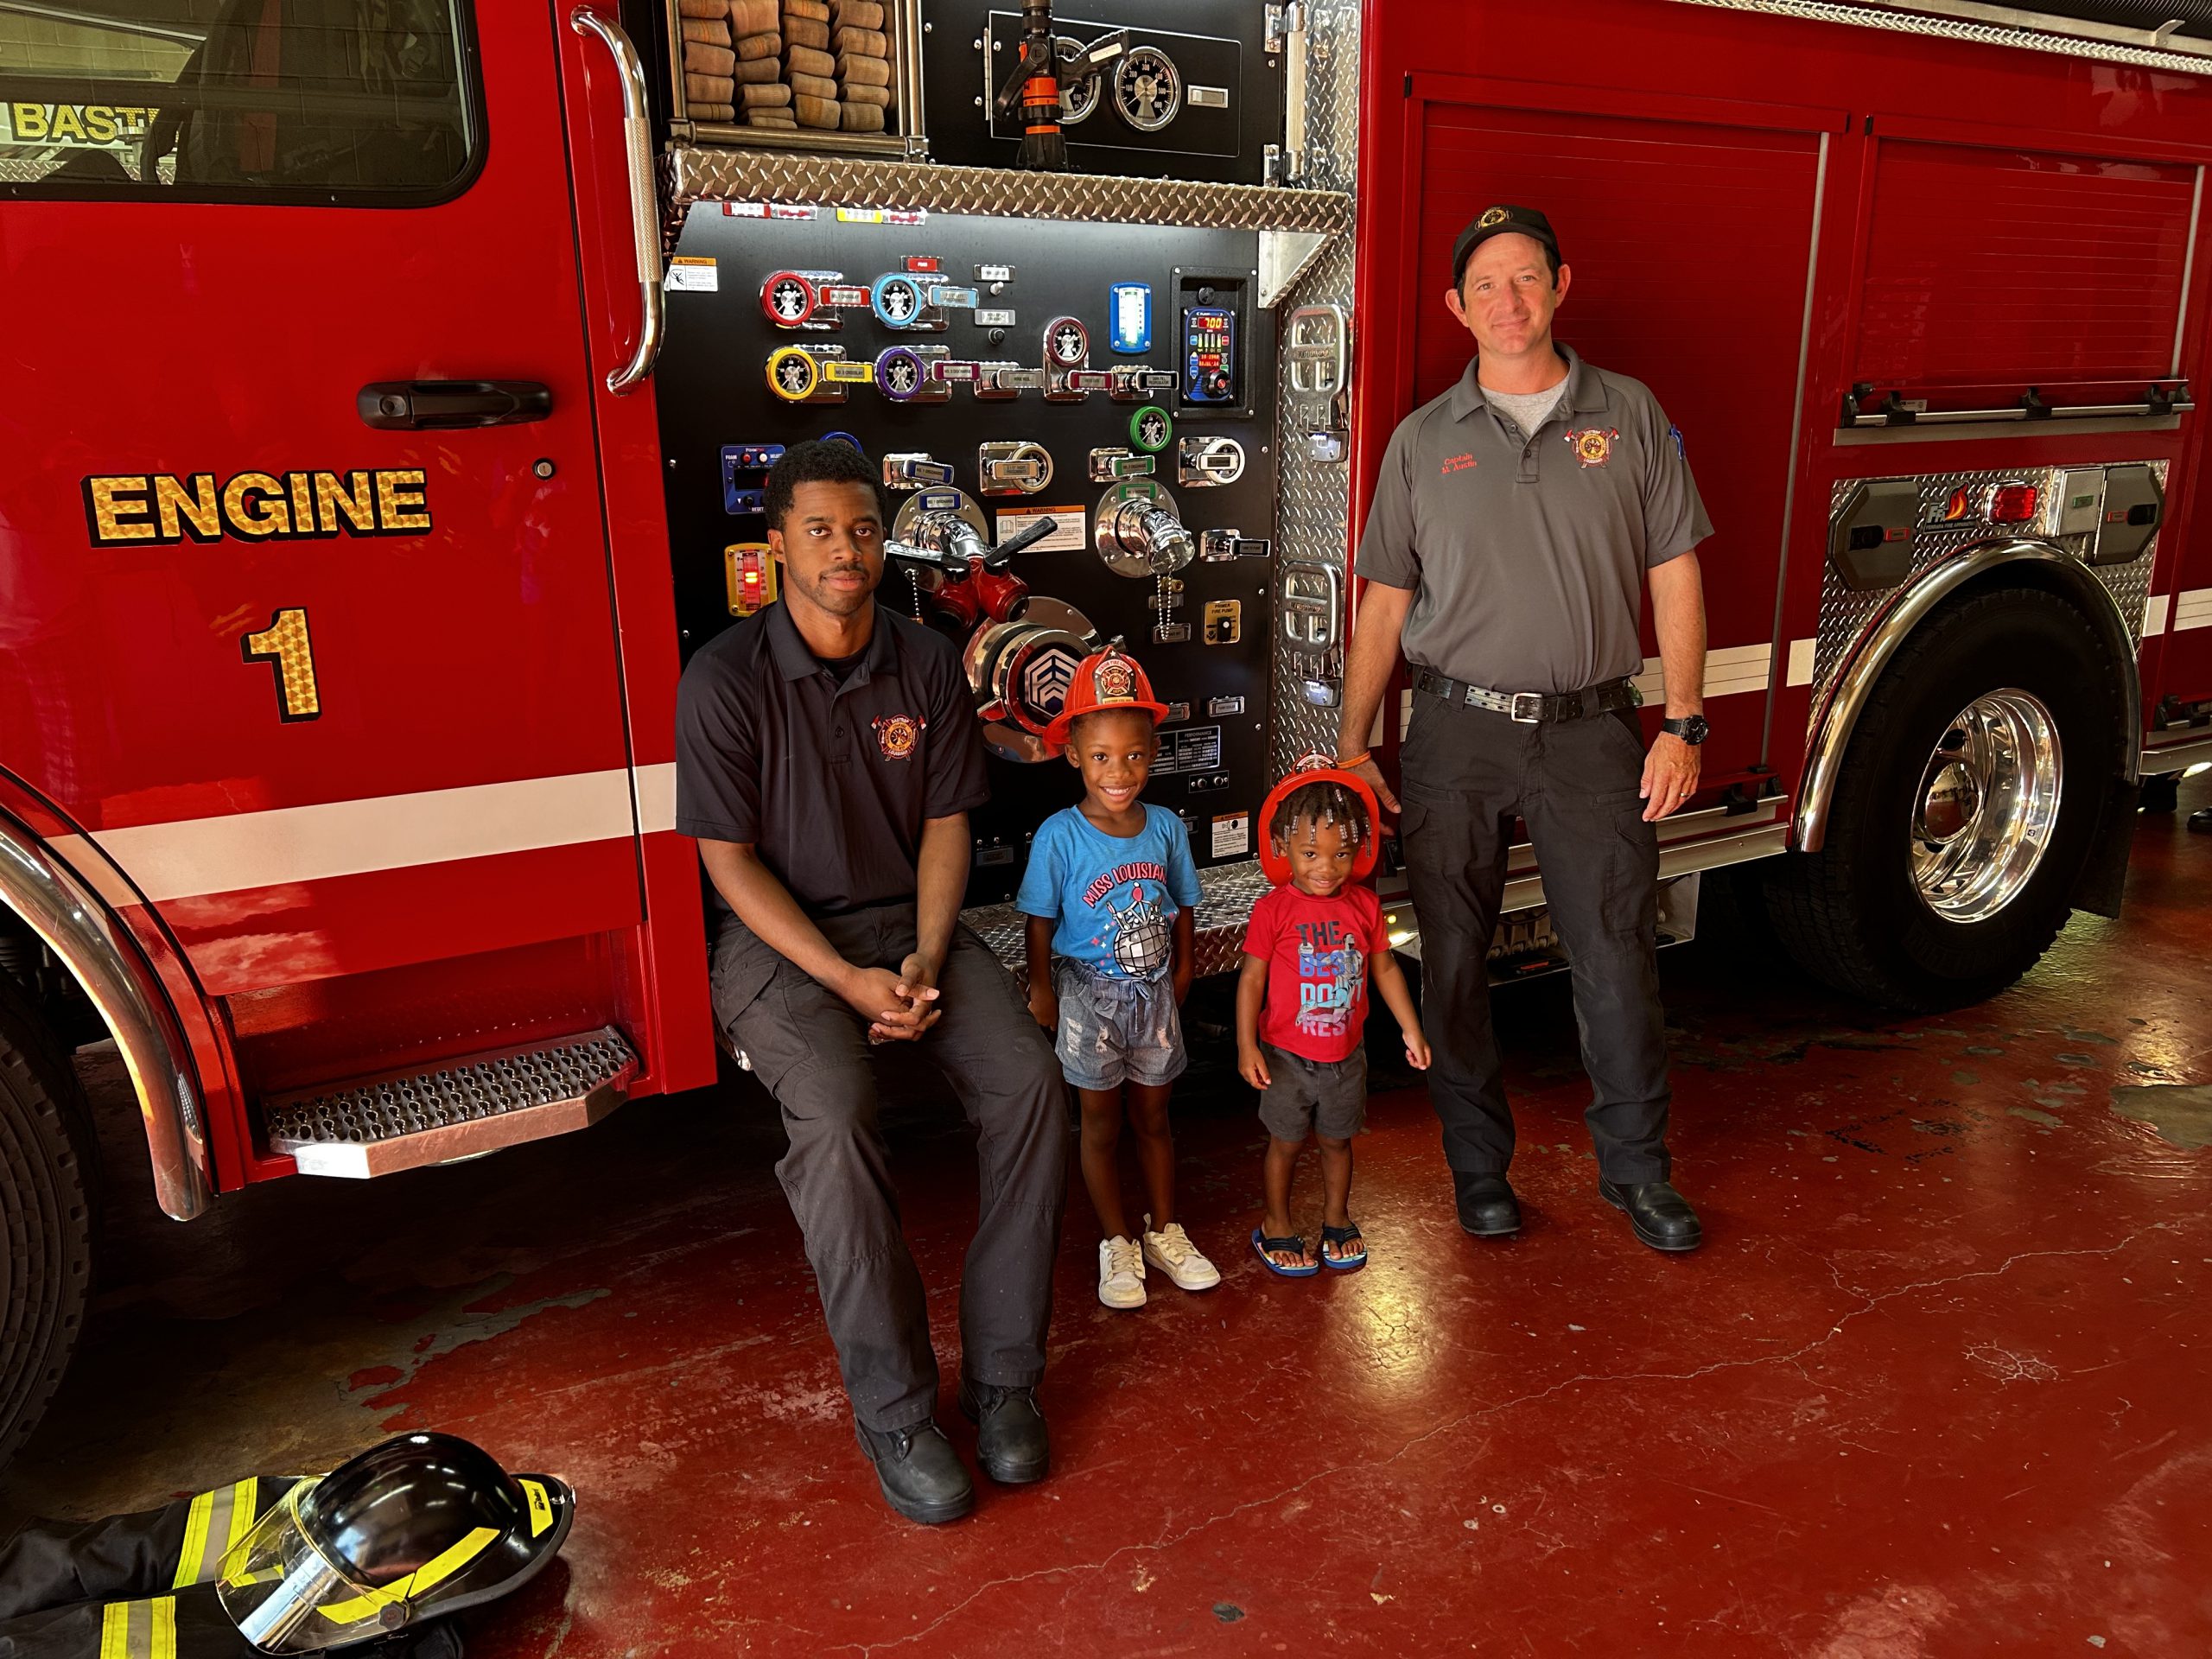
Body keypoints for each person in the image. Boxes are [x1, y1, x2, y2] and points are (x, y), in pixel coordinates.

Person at [674, 440, 1068, 1526]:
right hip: (783, 946)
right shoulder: (723, 678)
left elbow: (948, 825)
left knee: (1031, 1084)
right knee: (838, 1123)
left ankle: (1003, 1384)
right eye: (818, 531)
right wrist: (846, 981)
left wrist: (930, 959)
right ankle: (895, 1411)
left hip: (913, 926)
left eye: (860, 529)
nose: (844, 551)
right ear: (775, 547)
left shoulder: (927, 661)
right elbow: (728, 862)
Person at [1336, 204, 1713, 1253]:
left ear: (1561, 285)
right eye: (1487, 284)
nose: (1509, 300)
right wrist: (1352, 743)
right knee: (1452, 962)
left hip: (1594, 735)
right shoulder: (1421, 441)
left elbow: (1673, 569)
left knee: (1615, 959)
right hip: (1455, 734)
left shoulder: (1630, 415)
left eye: (1527, 278)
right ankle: (1477, 1173)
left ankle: (1637, 1174)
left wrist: (1681, 724)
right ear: (1457, 308)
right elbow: (1382, 603)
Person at [1017, 643, 1221, 1310]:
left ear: (1153, 753)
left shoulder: (1163, 827)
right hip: (1087, 1000)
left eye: (1134, 755)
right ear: (1073, 755)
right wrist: (1042, 988)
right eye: (1101, 757)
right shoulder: (1059, 836)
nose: (1119, 771)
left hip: (1154, 995)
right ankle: (1115, 1241)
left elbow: (1183, 902)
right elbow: (1039, 921)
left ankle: (1164, 1231)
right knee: (1099, 1127)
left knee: (1155, 1118)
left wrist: (1186, 968)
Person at [1237, 770, 1430, 1275]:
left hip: (1347, 1057)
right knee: (1285, 1145)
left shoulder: (1365, 904)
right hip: (1284, 1057)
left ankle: (1336, 1219)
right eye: (1310, 854)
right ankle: (1276, 1225)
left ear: (1359, 850)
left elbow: (1384, 967)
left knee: (1337, 1142)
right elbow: (1252, 981)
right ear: (1283, 847)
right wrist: (1246, 1046)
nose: (1326, 868)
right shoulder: (1272, 910)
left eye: (1340, 854)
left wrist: (1411, 1027)